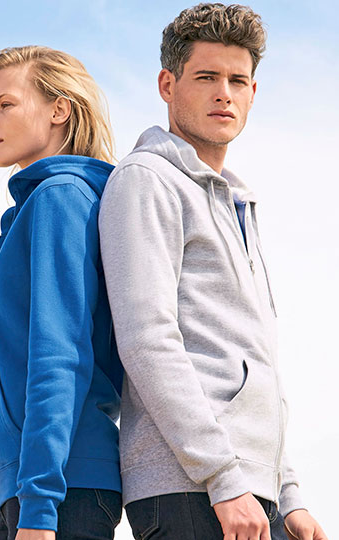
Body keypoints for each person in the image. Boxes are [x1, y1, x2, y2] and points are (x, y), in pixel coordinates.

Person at [99, 4, 327, 540]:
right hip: (190, 487)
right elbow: (147, 339)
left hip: (245, 487)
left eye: (237, 80)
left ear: (253, 92)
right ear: (167, 84)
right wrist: (224, 478)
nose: (224, 93)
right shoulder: (147, 179)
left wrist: (288, 492)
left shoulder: (236, 202)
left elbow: (249, 358)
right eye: (206, 77)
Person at [0, 46, 123, 540]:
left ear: (59, 109)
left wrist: (39, 508)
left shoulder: (60, 198)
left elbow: (60, 354)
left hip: (57, 492)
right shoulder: (35, 207)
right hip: (32, 485)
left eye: (6, 105)